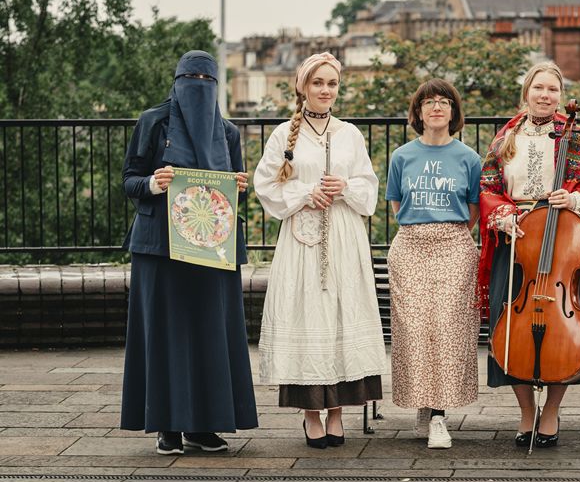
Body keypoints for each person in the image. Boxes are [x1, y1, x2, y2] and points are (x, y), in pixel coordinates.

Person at [120, 50, 257, 455]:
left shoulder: (228, 133)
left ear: (215, 87)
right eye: (190, 78)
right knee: (165, 332)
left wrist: (239, 188)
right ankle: (167, 425)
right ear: (177, 81)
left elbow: (232, 190)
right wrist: (152, 184)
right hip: (159, 247)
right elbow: (130, 178)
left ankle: (204, 425)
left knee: (209, 333)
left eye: (206, 80)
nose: (197, 87)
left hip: (212, 248)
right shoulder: (153, 121)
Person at [478, 62, 580, 449]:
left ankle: (552, 410)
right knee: (508, 325)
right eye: (538, 88)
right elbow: (488, 187)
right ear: (527, 92)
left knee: (564, 326)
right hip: (518, 240)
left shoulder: (577, 137)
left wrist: (573, 198)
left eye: (552, 90)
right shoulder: (505, 137)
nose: (545, 95)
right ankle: (525, 412)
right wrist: (504, 216)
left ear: (560, 95)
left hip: (562, 244)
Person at [253, 52, 387, 449]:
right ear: (303, 87)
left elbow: (369, 186)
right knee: (309, 313)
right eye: (318, 83)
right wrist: (305, 192)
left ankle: (339, 413)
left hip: (344, 236)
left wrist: (344, 187)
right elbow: (267, 186)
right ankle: (312, 413)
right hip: (302, 239)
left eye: (331, 83)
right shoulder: (283, 135)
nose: (325, 90)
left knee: (342, 314)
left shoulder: (349, 134)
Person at [385, 79, 482, 449]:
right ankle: (423, 404)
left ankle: (440, 414)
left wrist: (447, 233)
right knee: (414, 329)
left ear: (454, 112)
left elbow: (473, 209)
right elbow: (397, 205)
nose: (437, 107)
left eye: (444, 102)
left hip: (454, 245)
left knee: (447, 328)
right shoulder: (402, 157)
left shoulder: (468, 158)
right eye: (429, 102)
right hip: (410, 245)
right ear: (418, 112)